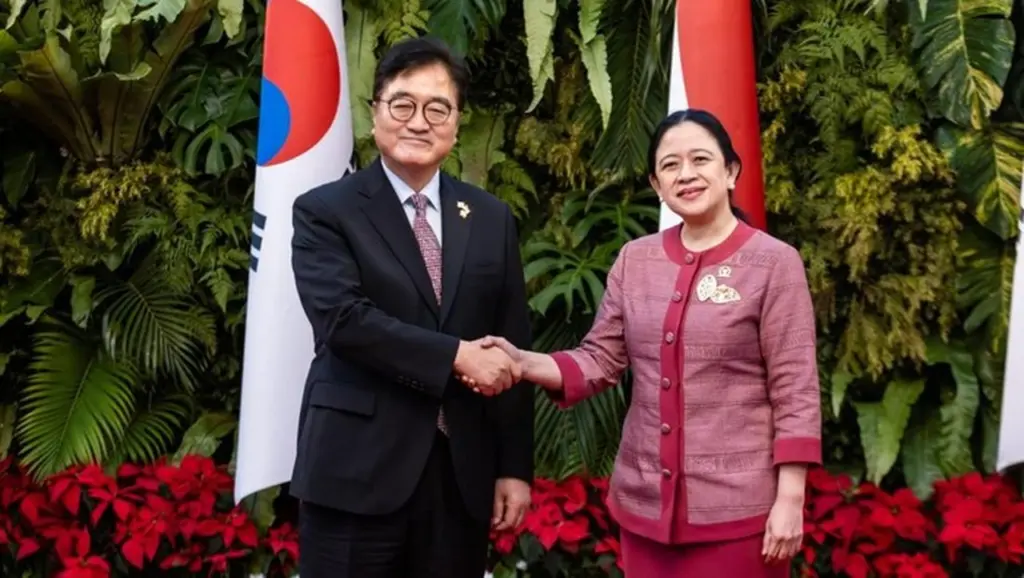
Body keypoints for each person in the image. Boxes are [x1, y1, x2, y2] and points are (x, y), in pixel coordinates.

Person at [472, 109, 822, 575]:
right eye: (670, 165)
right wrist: (521, 361)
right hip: (644, 512)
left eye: (700, 159)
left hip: (739, 517)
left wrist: (790, 499)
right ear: (657, 185)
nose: (686, 174)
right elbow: (601, 358)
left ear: (731, 171)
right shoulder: (635, 260)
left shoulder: (774, 263)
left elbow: (795, 390)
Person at [288, 36, 534, 578]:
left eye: (437, 108)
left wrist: (514, 467)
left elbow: (510, 344)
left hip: (460, 477)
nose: (419, 122)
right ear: (375, 112)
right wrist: (456, 356)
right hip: (356, 471)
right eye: (402, 105)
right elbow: (344, 321)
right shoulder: (325, 211)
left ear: (457, 123)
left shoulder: (490, 218)